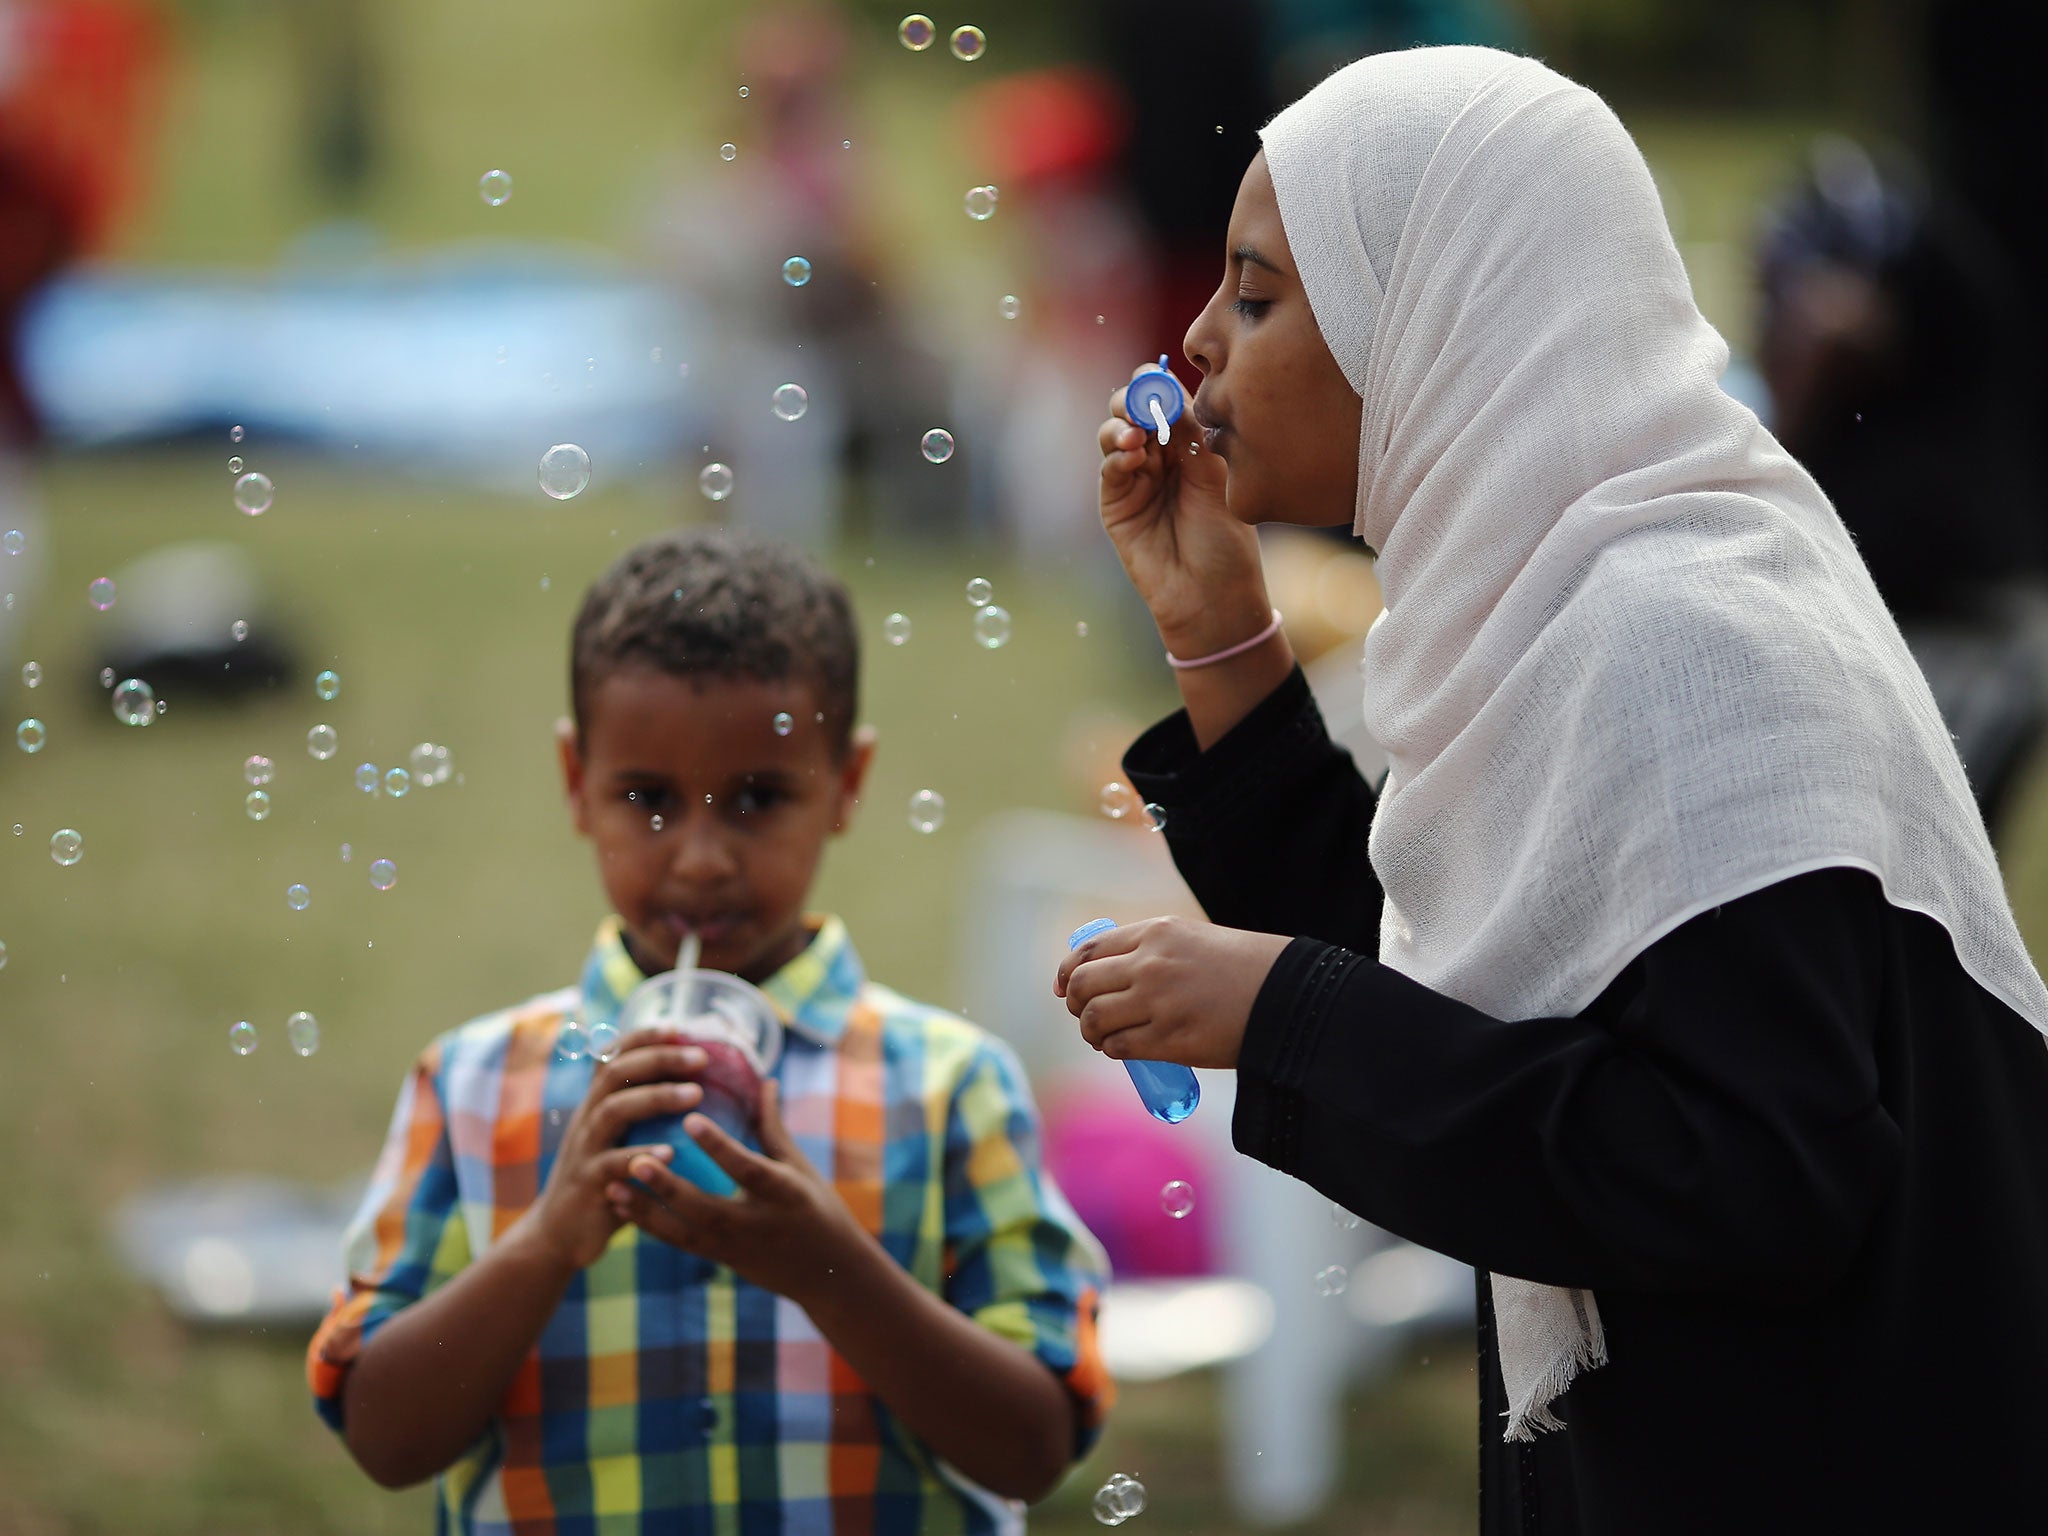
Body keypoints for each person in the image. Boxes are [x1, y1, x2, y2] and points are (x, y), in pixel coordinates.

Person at [1059, 45, 2048, 1534]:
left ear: (1440, 317)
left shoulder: (1682, 636)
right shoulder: (1565, 597)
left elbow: (1752, 1174)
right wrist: (1222, 636)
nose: (1196, 339)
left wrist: (1284, 1014)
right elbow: (1459, 995)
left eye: (1258, 294)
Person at [307, 528, 1113, 1533]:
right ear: (573, 778)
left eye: (757, 799)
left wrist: (830, 1268)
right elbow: (384, 1439)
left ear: (846, 785)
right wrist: (548, 1241)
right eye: (646, 798)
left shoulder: (950, 1086)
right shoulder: (472, 1085)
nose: (697, 859)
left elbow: (1037, 1446)